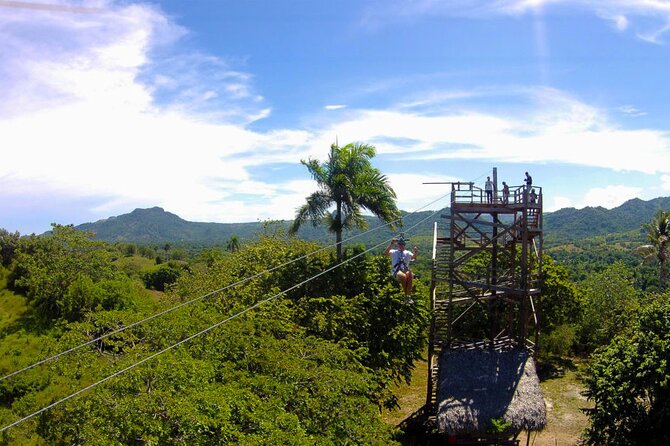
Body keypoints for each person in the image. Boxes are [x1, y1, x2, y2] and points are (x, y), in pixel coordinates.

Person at [384, 236, 417, 301]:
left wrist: (415, 251)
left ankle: (408, 296)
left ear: (404, 245)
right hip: (396, 271)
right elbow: (386, 253)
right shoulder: (393, 251)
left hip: (405, 270)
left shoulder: (407, 252)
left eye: (402, 244)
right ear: (397, 245)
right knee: (403, 276)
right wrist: (391, 243)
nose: (401, 246)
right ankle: (406, 295)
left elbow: (413, 258)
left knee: (410, 275)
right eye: (399, 244)